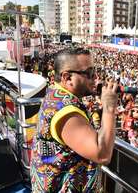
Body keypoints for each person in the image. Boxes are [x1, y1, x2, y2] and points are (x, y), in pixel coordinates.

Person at [30, 48, 118, 192]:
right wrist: (109, 108)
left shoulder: (55, 93)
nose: (95, 78)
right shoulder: (66, 111)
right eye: (89, 73)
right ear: (67, 77)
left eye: (94, 71)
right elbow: (102, 155)